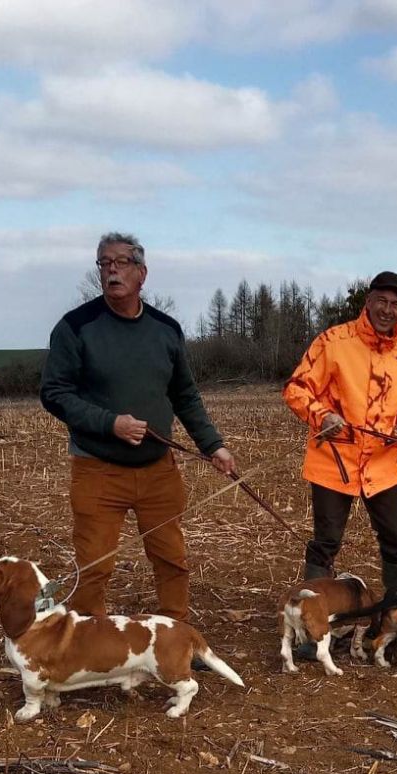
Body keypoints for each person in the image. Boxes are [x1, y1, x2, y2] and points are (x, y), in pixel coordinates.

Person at [40, 231, 236, 621]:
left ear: (142, 273)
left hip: (157, 470)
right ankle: (89, 651)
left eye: (121, 262)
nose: (112, 270)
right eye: (104, 263)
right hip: (97, 468)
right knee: (95, 567)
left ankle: (174, 638)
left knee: (172, 560)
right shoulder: (76, 327)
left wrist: (213, 445)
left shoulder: (166, 330)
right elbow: (54, 393)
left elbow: (185, 395)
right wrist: (111, 424)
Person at [283, 271, 397, 590]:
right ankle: (311, 621)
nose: (388, 310)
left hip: (383, 464)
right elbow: (296, 389)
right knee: (326, 543)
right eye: (382, 301)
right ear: (368, 301)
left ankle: (396, 614)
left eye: (396, 304)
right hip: (334, 460)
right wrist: (322, 416)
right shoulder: (333, 342)